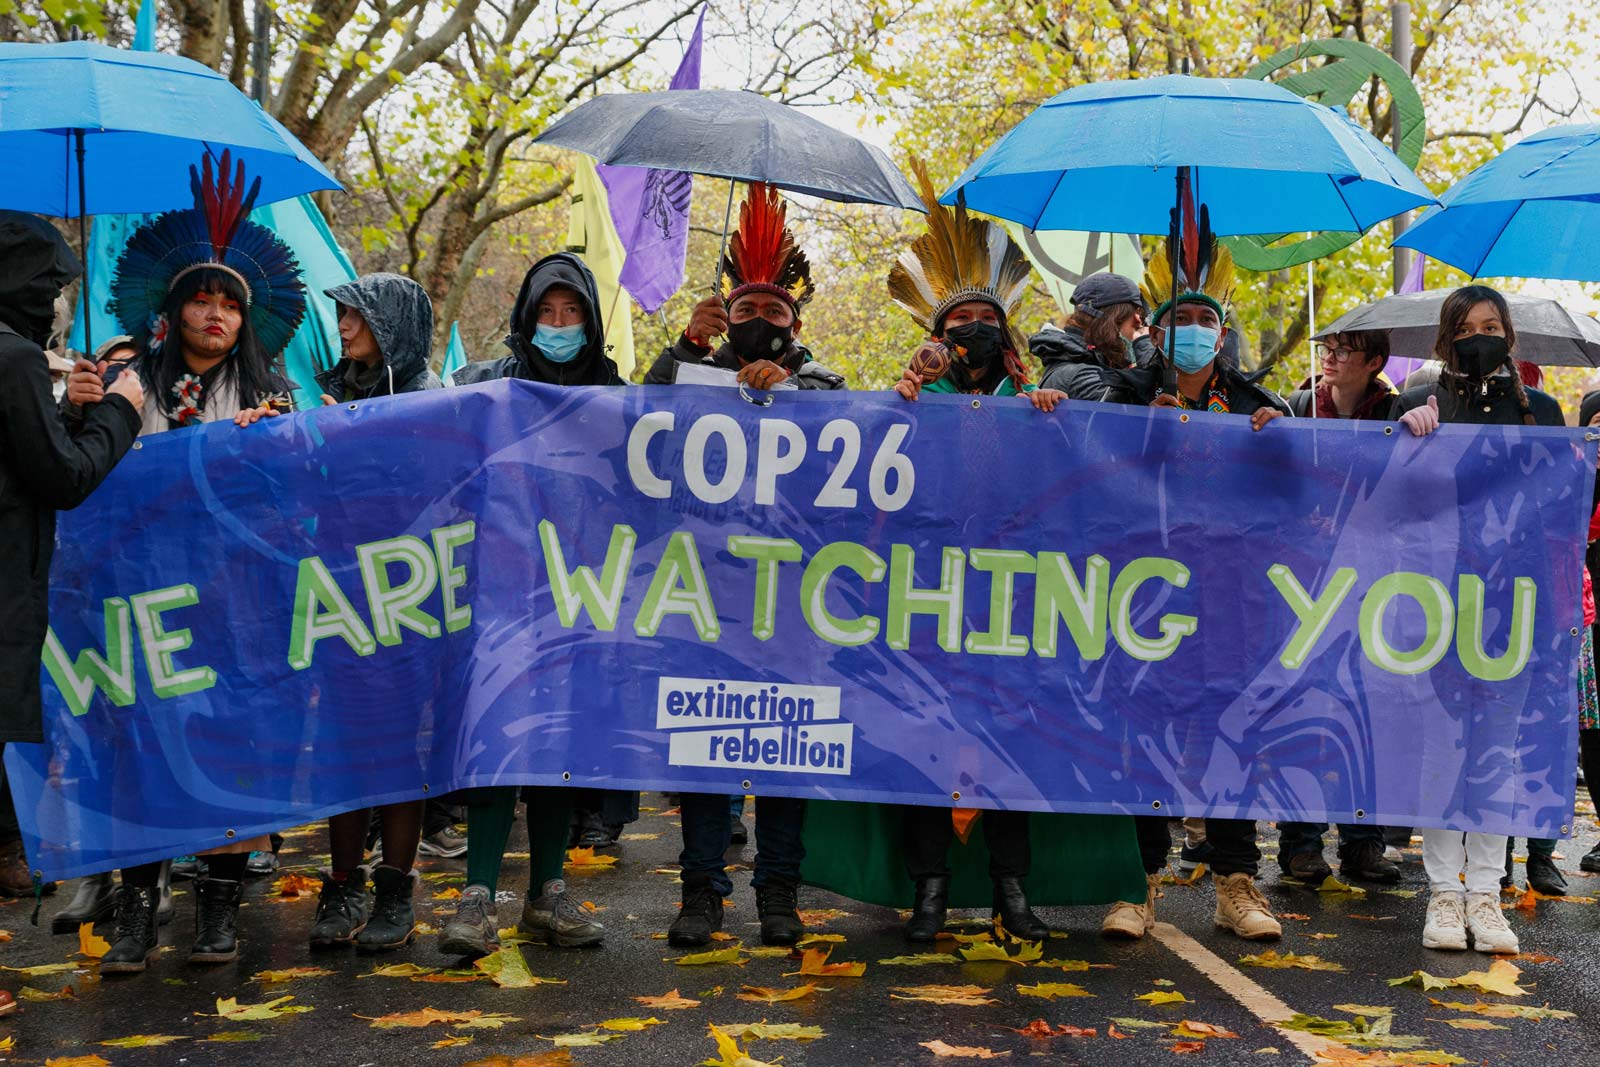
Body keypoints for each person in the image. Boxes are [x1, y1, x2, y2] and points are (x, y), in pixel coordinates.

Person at [76, 154, 306, 973]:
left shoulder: (273, 399)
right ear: (172, 311)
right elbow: (82, 480)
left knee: (228, 744)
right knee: (142, 746)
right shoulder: (124, 384)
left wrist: (266, 451)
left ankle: (218, 904)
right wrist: (80, 410)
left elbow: (295, 506)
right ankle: (135, 907)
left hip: (235, 606)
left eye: (228, 304)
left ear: (247, 323)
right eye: (200, 298)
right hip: (138, 602)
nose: (214, 313)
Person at [886, 161, 1066, 941]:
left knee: (1011, 743)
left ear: (1006, 332)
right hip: (926, 600)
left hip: (1012, 600)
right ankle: (928, 891)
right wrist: (894, 412)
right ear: (936, 340)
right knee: (923, 742)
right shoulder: (909, 404)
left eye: (985, 321)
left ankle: (1012, 891)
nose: (973, 334)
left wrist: (1056, 424)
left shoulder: (1034, 405)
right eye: (958, 326)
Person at [1096, 217, 1288, 943]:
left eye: (1209, 319)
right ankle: (1140, 880)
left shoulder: (1252, 400)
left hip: (1231, 599)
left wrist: (1283, 434)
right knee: (1145, 729)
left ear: (1224, 331)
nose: (1197, 329)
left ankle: (1236, 882)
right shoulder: (1122, 394)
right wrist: (1143, 432)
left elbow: (1293, 499)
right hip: (1143, 596)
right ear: (1158, 328)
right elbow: (1085, 481)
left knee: (1230, 731)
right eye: (1184, 318)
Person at [439, 251, 620, 958]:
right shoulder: (489, 385)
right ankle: (476, 898)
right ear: (524, 317)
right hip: (501, 590)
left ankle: (548, 894)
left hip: (583, 597)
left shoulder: (616, 391)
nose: (558, 325)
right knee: (497, 735)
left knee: (556, 743)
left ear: (592, 321)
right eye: (545, 313)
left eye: (571, 312)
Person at [658, 184, 825, 949]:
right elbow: (636, 424)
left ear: (796, 323)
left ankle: (779, 895)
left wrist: (792, 398)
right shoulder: (690, 370)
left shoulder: (823, 385)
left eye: (776, 314)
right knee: (703, 750)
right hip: (704, 596)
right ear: (727, 317)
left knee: (789, 754)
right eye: (745, 312)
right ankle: (701, 895)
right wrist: (688, 352)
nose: (762, 325)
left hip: (796, 606)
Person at [1396, 284, 1563, 954]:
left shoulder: (1545, 412)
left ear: (1509, 333)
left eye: (1492, 324)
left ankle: (1487, 893)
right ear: (1445, 336)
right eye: (1466, 326)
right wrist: (1403, 441)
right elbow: (1386, 502)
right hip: (1438, 601)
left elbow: (1567, 508)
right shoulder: (1417, 404)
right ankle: (1442, 889)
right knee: (1442, 747)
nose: (1480, 334)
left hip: (1516, 605)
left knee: (1498, 749)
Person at [0, 212, 145, 940]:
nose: (58, 301)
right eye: (52, 283)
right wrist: (117, 413)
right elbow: (59, 476)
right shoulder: (16, 360)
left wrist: (67, 408)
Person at [307, 272, 440, 952]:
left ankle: (395, 886)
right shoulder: (328, 393)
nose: (345, 325)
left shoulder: (432, 402)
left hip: (407, 597)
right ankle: (340, 884)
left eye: (357, 313)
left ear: (393, 323)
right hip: (338, 593)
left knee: (397, 744)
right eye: (342, 314)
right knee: (341, 740)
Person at [1276, 327, 1403, 885]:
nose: (1329, 359)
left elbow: (1409, 491)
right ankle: (1299, 842)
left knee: (1367, 712)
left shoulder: (1400, 412)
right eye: (1325, 349)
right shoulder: (1296, 406)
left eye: (1343, 351)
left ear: (1375, 361)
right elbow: (1272, 483)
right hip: (1302, 584)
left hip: (1371, 582)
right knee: (1304, 709)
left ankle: (1363, 844)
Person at [644, 182, 845, 393]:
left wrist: (787, 382)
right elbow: (646, 406)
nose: (758, 319)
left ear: (795, 328)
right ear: (726, 323)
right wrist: (688, 345)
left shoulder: (827, 388)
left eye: (773, 311)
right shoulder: (695, 376)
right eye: (746, 310)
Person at [1032, 271, 1156, 402]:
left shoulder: (1088, 365)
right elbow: (1135, 406)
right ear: (1112, 321)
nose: (1141, 325)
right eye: (1136, 325)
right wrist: (1143, 340)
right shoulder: (1076, 375)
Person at [1288, 329, 1397, 420]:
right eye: (1326, 348)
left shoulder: (1394, 413)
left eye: (1341, 352)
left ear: (1373, 363)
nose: (1328, 358)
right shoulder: (1302, 407)